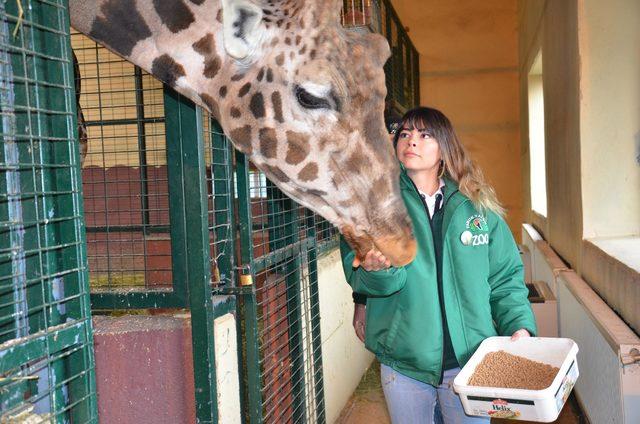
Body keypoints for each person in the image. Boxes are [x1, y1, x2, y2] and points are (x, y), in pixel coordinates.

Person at [341, 106, 536, 424]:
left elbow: (505, 280)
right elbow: (362, 276)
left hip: (471, 362)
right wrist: (377, 271)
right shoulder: (375, 206)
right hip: (405, 365)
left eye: (424, 134)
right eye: (405, 134)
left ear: (444, 147)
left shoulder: (478, 208)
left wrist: (520, 326)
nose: (411, 141)